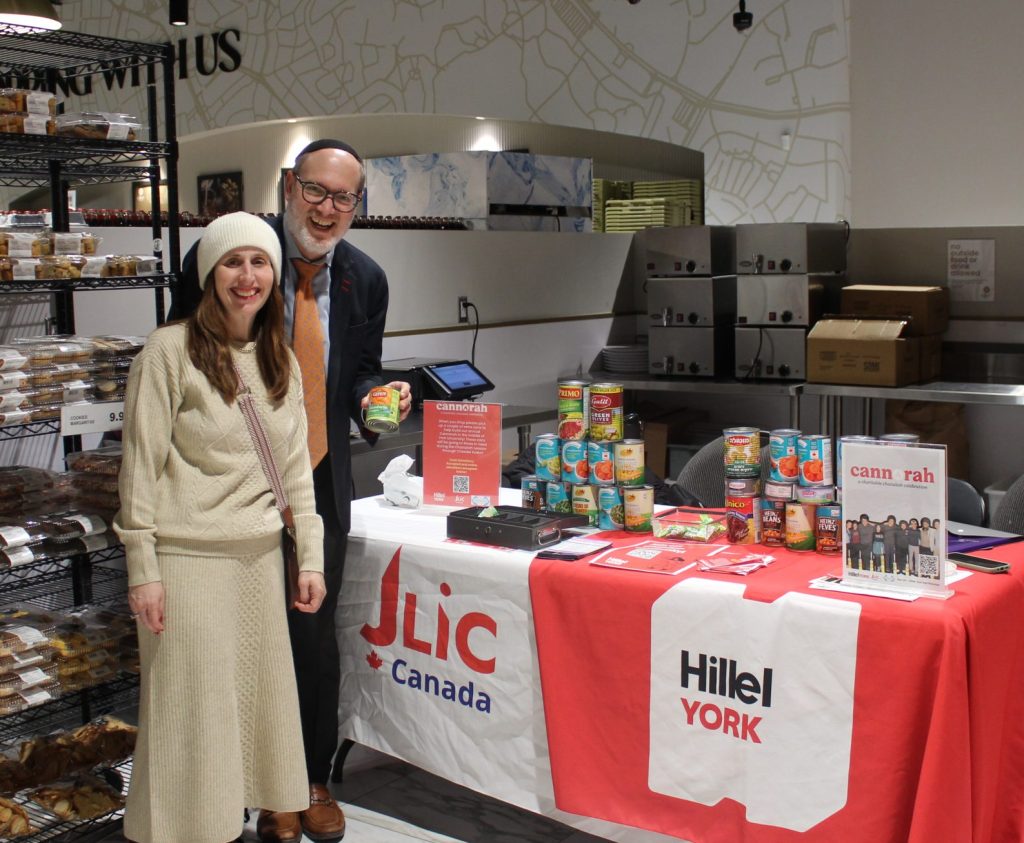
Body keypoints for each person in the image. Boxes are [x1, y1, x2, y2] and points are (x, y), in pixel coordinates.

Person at [172, 139, 412, 843]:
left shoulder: (365, 278)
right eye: (316, 191)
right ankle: (246, 785)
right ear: (288, 186)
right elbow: (183, 355)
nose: (327, 209)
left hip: (317, 480)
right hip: (229, 483)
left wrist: (376, 401)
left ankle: (306, 779)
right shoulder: (233, 255)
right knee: (233, 637)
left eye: (344, 197)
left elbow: (360, 372)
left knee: (311, 634)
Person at [115, 212, 328, 843]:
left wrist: (309, 557)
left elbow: (296, 472)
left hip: (258, 562)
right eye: (233, 262)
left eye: (259, 262)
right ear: (210, 273)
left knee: (251, 721)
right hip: (188, 564)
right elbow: (139, 469)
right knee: (193, 725)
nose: (247, 276)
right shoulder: (169, 351)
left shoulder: (279, 359)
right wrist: (143, 570)